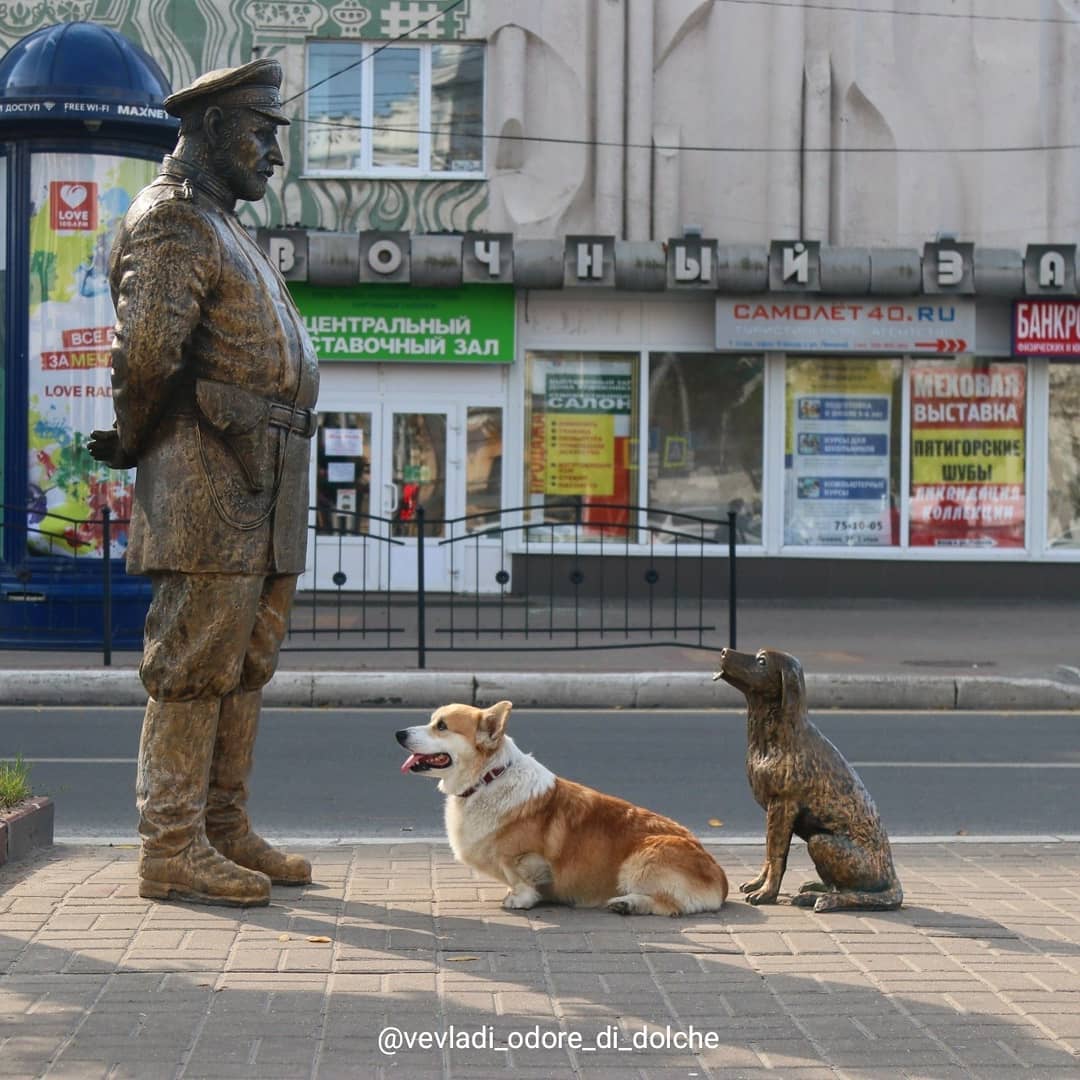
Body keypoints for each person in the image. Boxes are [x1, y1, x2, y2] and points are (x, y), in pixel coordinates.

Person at [89, 59, 319, 906]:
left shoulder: (225, 226)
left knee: (245, 663)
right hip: (208, 473)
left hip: (264, 475)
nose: (274, 155)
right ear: (215, 128)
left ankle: (222, 827)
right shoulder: (174, 219)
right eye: (262, 134)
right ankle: (172, 845)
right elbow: (147, 353)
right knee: (192, 662)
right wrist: (134, 440)